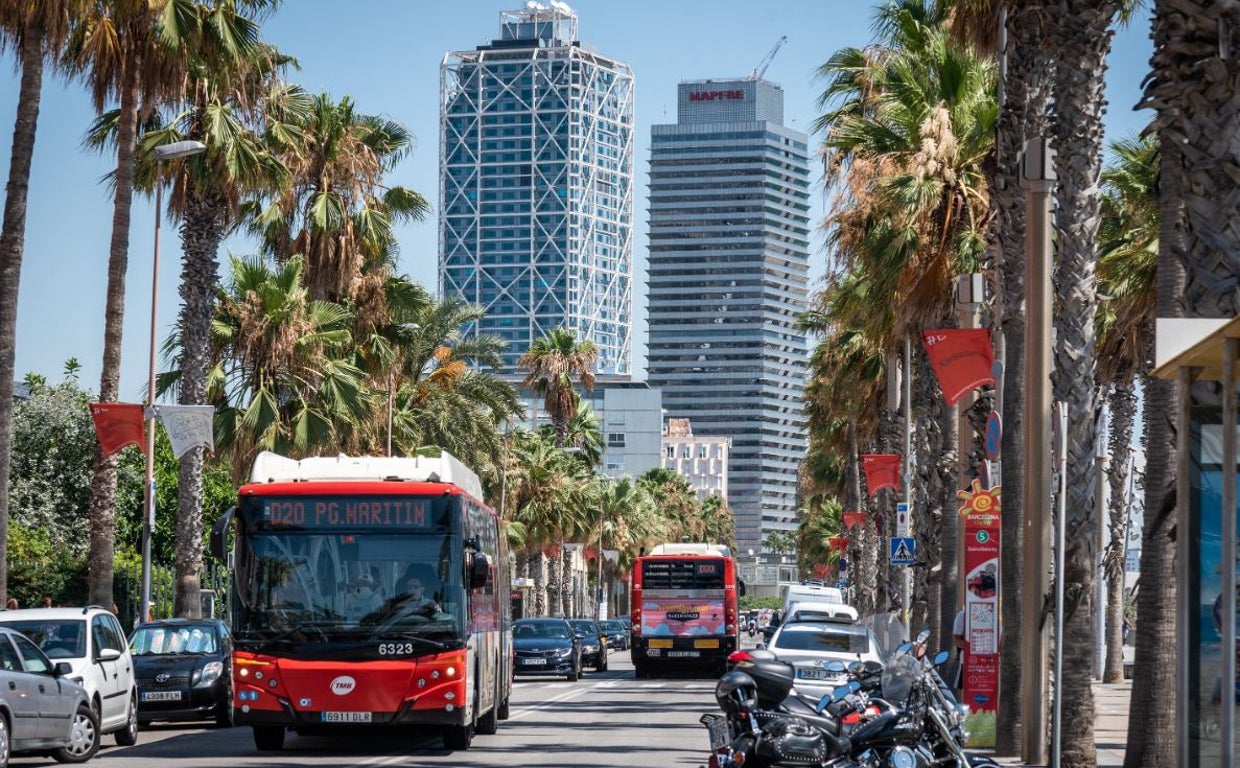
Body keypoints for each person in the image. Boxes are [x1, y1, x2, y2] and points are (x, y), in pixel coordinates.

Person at [952, 608, 966, 695]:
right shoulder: (962, 615)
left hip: (990, 663)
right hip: (967, 662)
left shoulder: (994, 614)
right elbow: (956, 640)